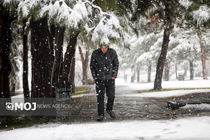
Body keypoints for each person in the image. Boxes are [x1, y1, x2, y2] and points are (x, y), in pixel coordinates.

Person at [90, 44, 119, 121]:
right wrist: (95, 76)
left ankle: (109, 109)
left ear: (107, 47)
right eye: (102, 47)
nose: (104, 49)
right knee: (100, 97)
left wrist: (114, 75)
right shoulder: (95, 53)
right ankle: (101, 114)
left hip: (110, 78)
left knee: (111, 96)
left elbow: (116, 64)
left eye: (105, 47)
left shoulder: (112, 52)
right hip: (99, 79)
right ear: (100, 47)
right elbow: (92, 65)